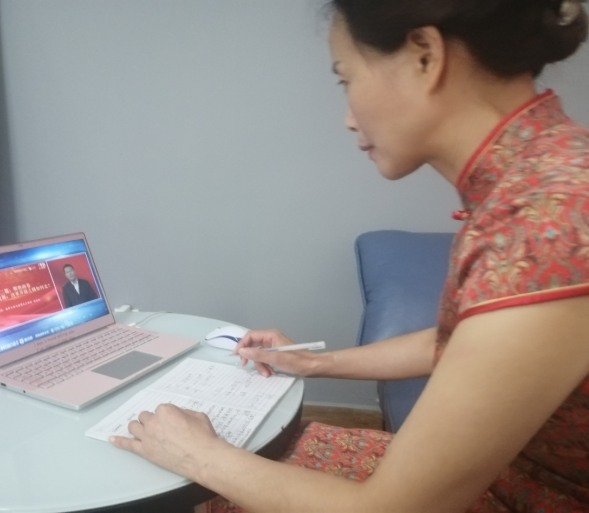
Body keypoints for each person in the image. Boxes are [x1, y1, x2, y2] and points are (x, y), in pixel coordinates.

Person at [110, 0, 589, 511]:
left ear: (425, 55)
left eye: (346, 79)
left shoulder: (548, 222)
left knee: (213, 488)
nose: (346, 118)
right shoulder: (541, 178)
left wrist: (197, 455)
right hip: (506, 475)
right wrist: (314, 363)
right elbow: (464, 345)